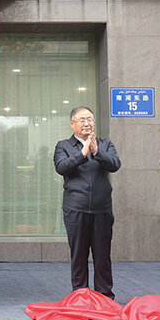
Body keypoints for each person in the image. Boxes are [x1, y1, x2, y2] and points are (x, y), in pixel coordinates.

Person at [53, 106, 121, 299]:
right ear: (72, 123)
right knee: (79, 255)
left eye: (90, 119)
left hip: (102, 209)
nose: (87, 123)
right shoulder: (63, 146)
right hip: (76, 209)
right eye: (82, 120)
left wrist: (97, 152)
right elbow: (61, 167)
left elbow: (115, 164)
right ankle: (80, 296)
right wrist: (82, 154)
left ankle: (104, 296)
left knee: (102, 256)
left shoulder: (105, 144)